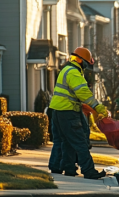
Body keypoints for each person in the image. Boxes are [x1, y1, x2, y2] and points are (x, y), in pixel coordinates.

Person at [47, 47, 109, 179]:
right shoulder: (74, 73)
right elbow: (84, 93)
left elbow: (70, 94)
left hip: (56, 111)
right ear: (82, 61)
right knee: (80, 143)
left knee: (63, 142)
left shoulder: (65, 70)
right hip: (68, 112)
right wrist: (98, 108)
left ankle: (63, 168)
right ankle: (89, 171)